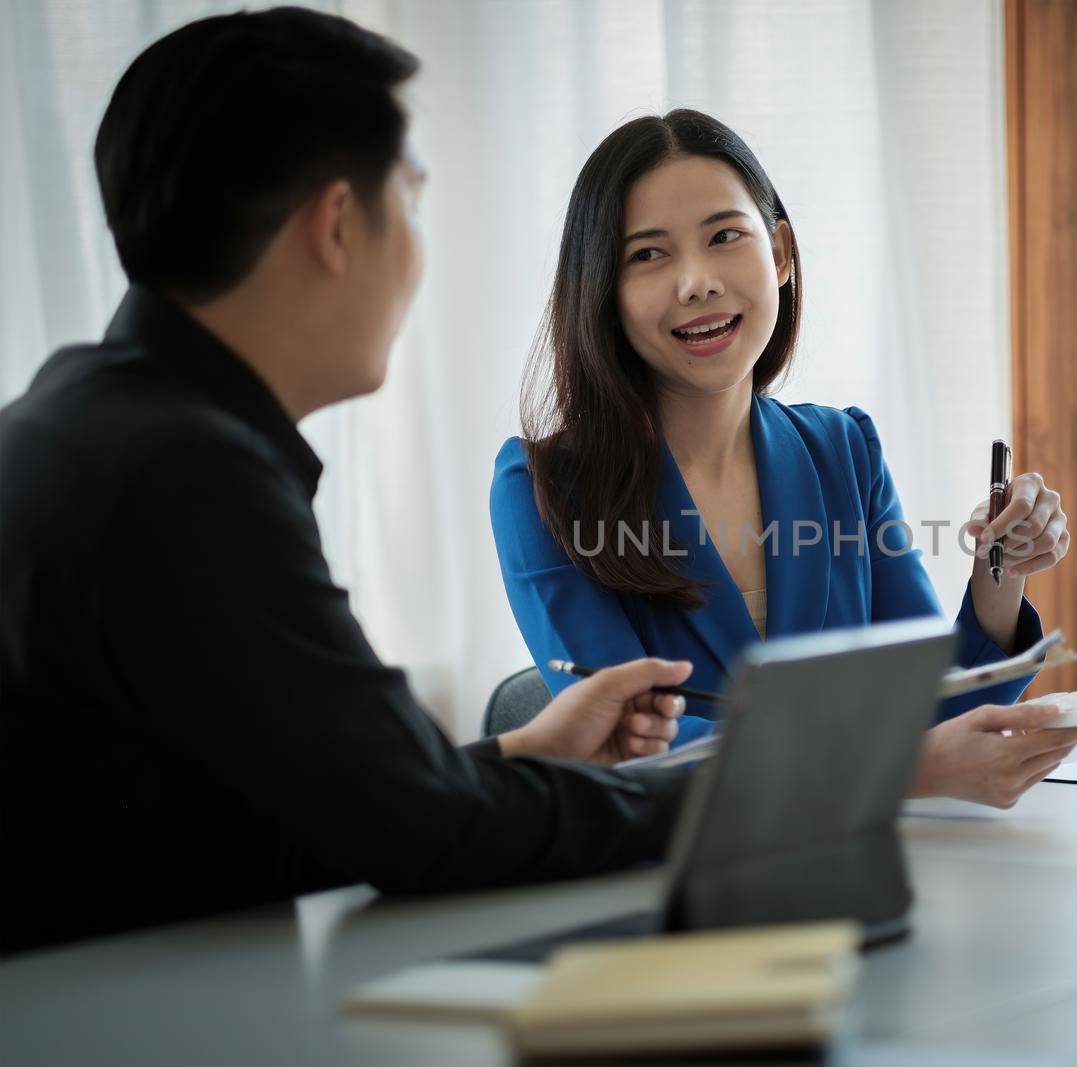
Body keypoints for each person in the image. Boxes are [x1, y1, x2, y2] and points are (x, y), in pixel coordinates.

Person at [0, 8, 686, 957]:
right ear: (334, 224)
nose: (416, 248)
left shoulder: (85, 416)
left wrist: (523, 753)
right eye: (409, 200)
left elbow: (297, 813)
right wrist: (769, 789)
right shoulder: (186, 478)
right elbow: (429, 836)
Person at [490, 110, 1077, 809]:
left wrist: (998, 578)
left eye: (725, 236)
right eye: (649, 255)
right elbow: (635, 755)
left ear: (779, 253)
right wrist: (903, 770)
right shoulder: (542, 490)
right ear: (605, 291)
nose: (697, 281)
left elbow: (926, 711)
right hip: (670, 891)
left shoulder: (842, 450)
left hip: (860, 869)